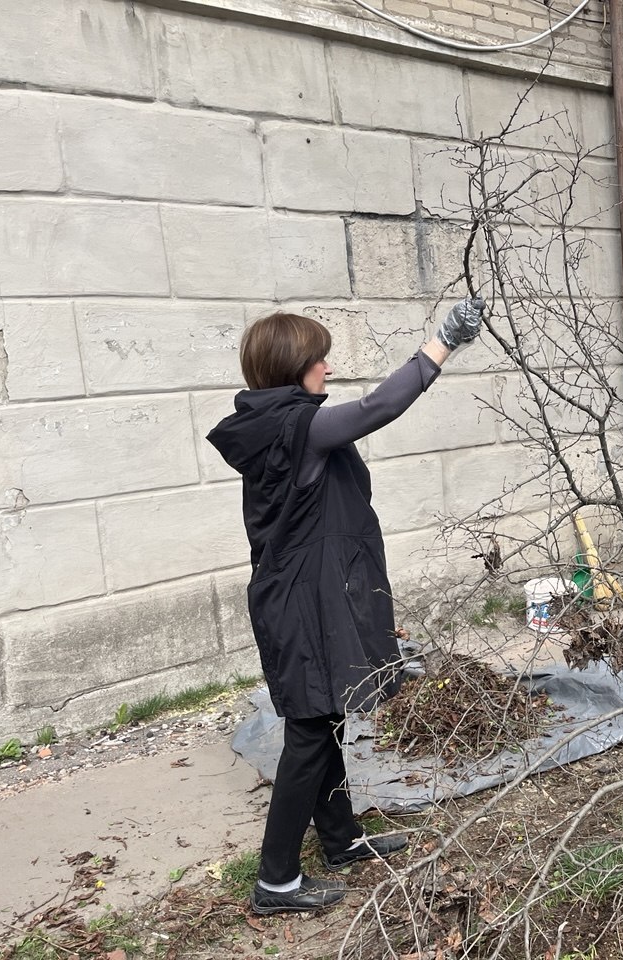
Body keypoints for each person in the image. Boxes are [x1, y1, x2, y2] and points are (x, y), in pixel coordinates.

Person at [206, 298, 485, 914]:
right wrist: (442, 343)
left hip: (304, 594)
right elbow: (379, 407)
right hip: (301, 603)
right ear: (294, 366)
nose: (327, 368)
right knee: (309, 733)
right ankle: (276, 881)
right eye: (319, 358)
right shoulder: (297, 429)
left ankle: (340, 839)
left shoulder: (276, 427)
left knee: (325, 717)